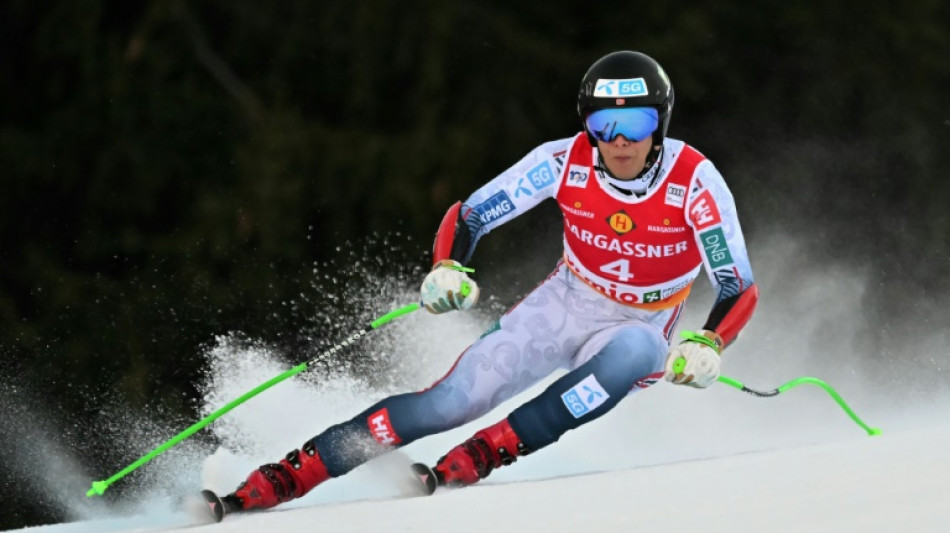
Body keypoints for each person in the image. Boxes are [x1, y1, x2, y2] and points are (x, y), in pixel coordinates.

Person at [215, 50, 759, 513]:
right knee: (447, 405)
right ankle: (292, 474)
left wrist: (709, 341)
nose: (619, 142)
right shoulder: (561, 161)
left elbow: (737, 285)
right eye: (602, 126)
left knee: (640, 351)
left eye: (636, 125)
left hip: (639, 323)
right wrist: (447, 266)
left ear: (660, 124)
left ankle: (487, 451)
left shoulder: (694, 183)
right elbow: (471, 216)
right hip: (566, 304)